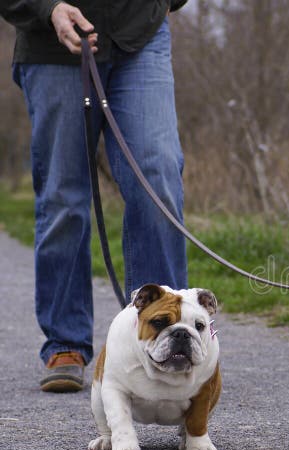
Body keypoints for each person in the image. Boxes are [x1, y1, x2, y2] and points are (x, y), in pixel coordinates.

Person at [1, 0, 189, 392]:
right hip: (53, 45)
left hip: (140, 34)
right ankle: (66, 342)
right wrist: (45, 7)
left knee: (158, 178)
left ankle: (165, 336)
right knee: (63, 198)